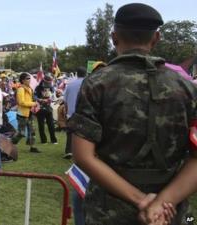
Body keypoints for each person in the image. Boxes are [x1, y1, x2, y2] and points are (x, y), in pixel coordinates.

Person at [68, 3, 195, 225]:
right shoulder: (186, 87)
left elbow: (83, 155)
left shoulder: (97, 84)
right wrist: (162, 202)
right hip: (169, 211)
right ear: (156, 38)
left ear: (114, 37)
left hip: (109, 209)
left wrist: (142, 201)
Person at [11, 73, 40, 153]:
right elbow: (21, 102)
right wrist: (33, 104)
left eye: (29, 78)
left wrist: (35, 102)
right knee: (21, 133)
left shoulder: (29, 88)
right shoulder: (21, 89)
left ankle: (32, 147)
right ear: (23, 80)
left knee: (32, 131)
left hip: (29, 113)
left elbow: (30, 99)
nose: (29, 80)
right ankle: (10, 143)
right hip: (22, 114)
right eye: (27, 78)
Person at [63, 67, 86, 159]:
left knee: (70, 133)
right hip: (84, 113)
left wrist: (67, 112)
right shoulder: (88, 83)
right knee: (83, 133)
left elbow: (65, 100)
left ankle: (69, 151)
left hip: (71, 112)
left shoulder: (70, 85)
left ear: (77, 73)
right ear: (85, 74)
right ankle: (82, 153)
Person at [34, 75, 58, 144]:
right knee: (41, 125)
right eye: (47, 82)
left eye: (49, 82)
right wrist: (40, 99)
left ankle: (53, 140)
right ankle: (43, 140)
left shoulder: (51, 87)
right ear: (43, 81)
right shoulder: (38, 88)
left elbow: (53, 95)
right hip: (40, 108)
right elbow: (34, 97)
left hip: (48, 108)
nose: (48, 84)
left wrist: (50, 99)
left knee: (51, 124)